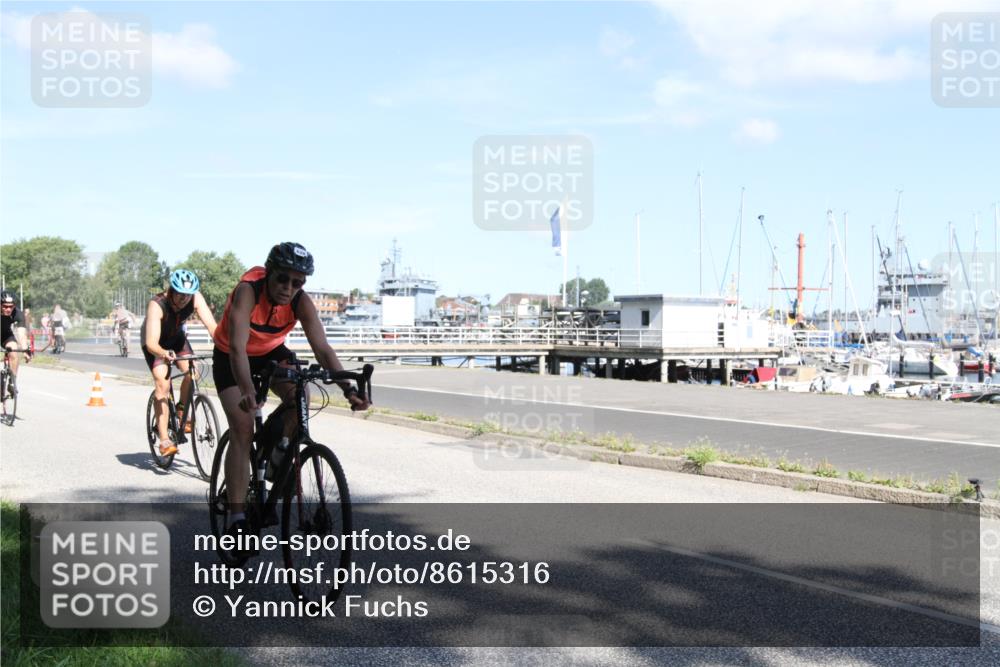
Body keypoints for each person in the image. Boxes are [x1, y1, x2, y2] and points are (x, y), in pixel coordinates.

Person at [214, 242, 369, 544]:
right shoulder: (248, 291)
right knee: (243, 426)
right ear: (269, 273)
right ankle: (236, 517)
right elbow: (237, 349)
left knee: (301, 397)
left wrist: (348, 389)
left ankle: (273, 455)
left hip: (270, 352)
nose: (288, 288)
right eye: (282, 279)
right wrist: (247, 390)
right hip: (232, 355)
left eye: (297, 282)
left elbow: (323, 349)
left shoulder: (300, 301)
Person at [142, 269, 218, 456]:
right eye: (180, 294)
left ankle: (181, 409)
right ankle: (164, 440)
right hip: (155, 343)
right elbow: (151, 343)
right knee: (163, 384)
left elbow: (212, 327)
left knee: (193, 372)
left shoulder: (195, 298)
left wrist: (224, 347)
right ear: (171, 290)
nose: (185, 298)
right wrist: (163, 353)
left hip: (176, 339)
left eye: (188, 295)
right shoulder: (157, 304)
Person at [1, 291, 32, 387]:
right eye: (5, 306)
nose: (8, 309)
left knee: (14, 352)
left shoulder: (18, 313)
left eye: (11, 306)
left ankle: (12, 381)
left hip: (5, 335)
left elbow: (22, 334)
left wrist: (25, 350)